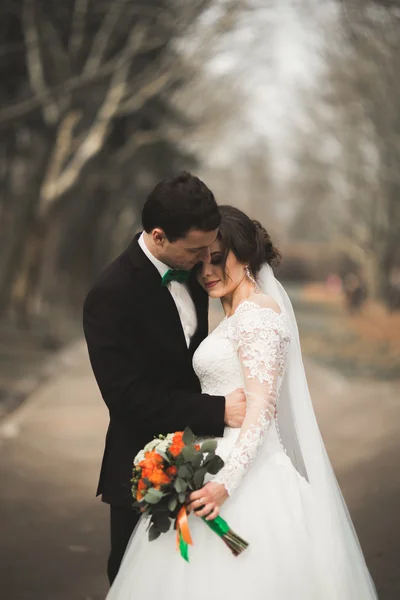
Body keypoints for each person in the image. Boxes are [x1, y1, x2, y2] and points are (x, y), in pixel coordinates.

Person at [106, 205, 378, 600]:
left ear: (247, 255)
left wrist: (225, 485)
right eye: (200, 263)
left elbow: (262, 408)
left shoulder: (258, 315)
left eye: (218, 259)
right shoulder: (234, 313)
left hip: (247, 477)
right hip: (210, 460)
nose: (207, 272)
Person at [83, 174, 246, 585]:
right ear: (158, 236)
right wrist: (218, 410)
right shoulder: (110, 294)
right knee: (134, 578)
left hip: (205, 459)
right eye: (196, 249)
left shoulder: (194, 271)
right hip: (141, 468)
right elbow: (127, 398)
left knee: (199, 579)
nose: (205, 258)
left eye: (209, 248)